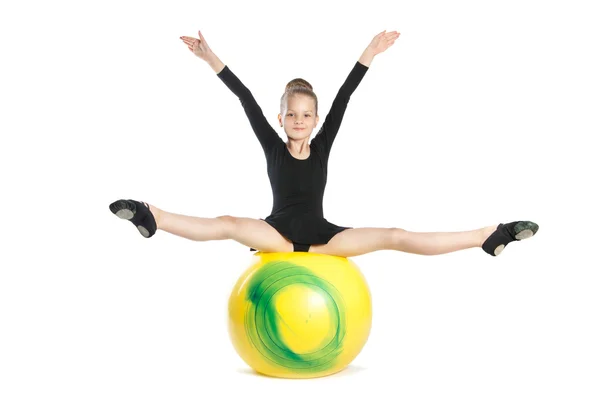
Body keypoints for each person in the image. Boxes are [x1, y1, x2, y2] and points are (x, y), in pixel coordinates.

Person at [109, 29, 538, 258]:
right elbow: (244, 97)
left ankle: (487, 235)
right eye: (291, 114)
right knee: (228, 223)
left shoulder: (324, 142)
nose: (298, 121)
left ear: (315, 121)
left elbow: (346, 95)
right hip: (275, 233)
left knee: (395, 234)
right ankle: (152, 215)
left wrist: (368, 52)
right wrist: (210, 58)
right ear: (281, 119)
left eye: (306, 115)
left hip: (324, 238)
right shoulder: (273, 145)